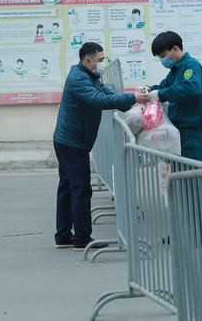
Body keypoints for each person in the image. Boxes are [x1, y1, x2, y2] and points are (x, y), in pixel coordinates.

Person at [53, 42, 148, 250]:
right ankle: (82, 239)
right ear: (88, 61)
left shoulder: (90, 75)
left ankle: (62, 236)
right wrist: (132, 98)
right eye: (101, 60)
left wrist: (132, 100)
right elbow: (99, 100)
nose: (103, 64)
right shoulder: (79, 79)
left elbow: (107, 94)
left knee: (68, 187)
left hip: (72, 138)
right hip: (71, 141)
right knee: (80, 189)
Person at [138, 31, 202, 161]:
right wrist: (148, 90)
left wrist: (160, 94)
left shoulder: (190, 65)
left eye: (164, 55)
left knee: (192, 178)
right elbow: (164, 86)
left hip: (191, 134)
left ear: (175, 49)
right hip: (179, 132)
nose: (162, 60)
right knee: (179, 177)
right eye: (159, 57)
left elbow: (191, 88)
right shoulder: (175, 70)